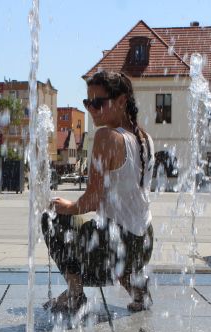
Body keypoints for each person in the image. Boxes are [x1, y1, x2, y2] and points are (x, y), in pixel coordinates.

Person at [42, 70, 154, 313]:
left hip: (113, 248)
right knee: (102, 226)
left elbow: (92, 199)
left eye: (97, 103)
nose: (91, 109)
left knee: (52, 217)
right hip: (143, 243)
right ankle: (136, 288)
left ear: (121, 101)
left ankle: (74, 294)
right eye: (87, 102)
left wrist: (67, 207)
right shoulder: (145, 138)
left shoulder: (106, 136)